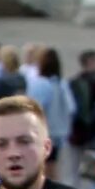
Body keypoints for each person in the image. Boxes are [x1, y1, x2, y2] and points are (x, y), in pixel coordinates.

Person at [24, 47, 77, 181]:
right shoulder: (62, 84)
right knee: (53, 167)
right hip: (60, 133)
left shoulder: (41, 84)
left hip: (44, 132)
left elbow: (33, 109)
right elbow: (72, 108)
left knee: (41, 169)